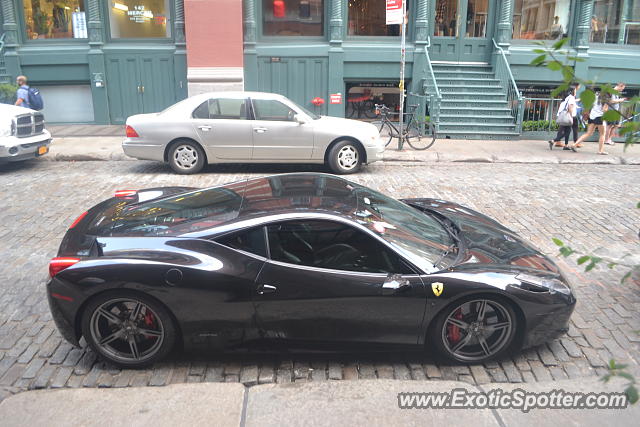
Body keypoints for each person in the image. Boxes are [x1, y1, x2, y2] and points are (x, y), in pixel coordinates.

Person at [571, 87, 609, 154]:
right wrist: (607, 106)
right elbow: (604, 110)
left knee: (588, 133)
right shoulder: (605, 99)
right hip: (600, 117)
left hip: (592, 117)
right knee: (602, 134)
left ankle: (574, 144)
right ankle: (601, 151)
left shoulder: (594, 97)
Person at [548, 85, 579, 150]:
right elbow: (570, 108)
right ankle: (554, 140)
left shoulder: (566, 98)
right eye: (575, 90)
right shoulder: (571, 98)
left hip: (564, 116)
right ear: (572, 91)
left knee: (567, 131)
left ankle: (566, 145)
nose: (576, 91)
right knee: (568, 132)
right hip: (570, 116)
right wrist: (571, 117)